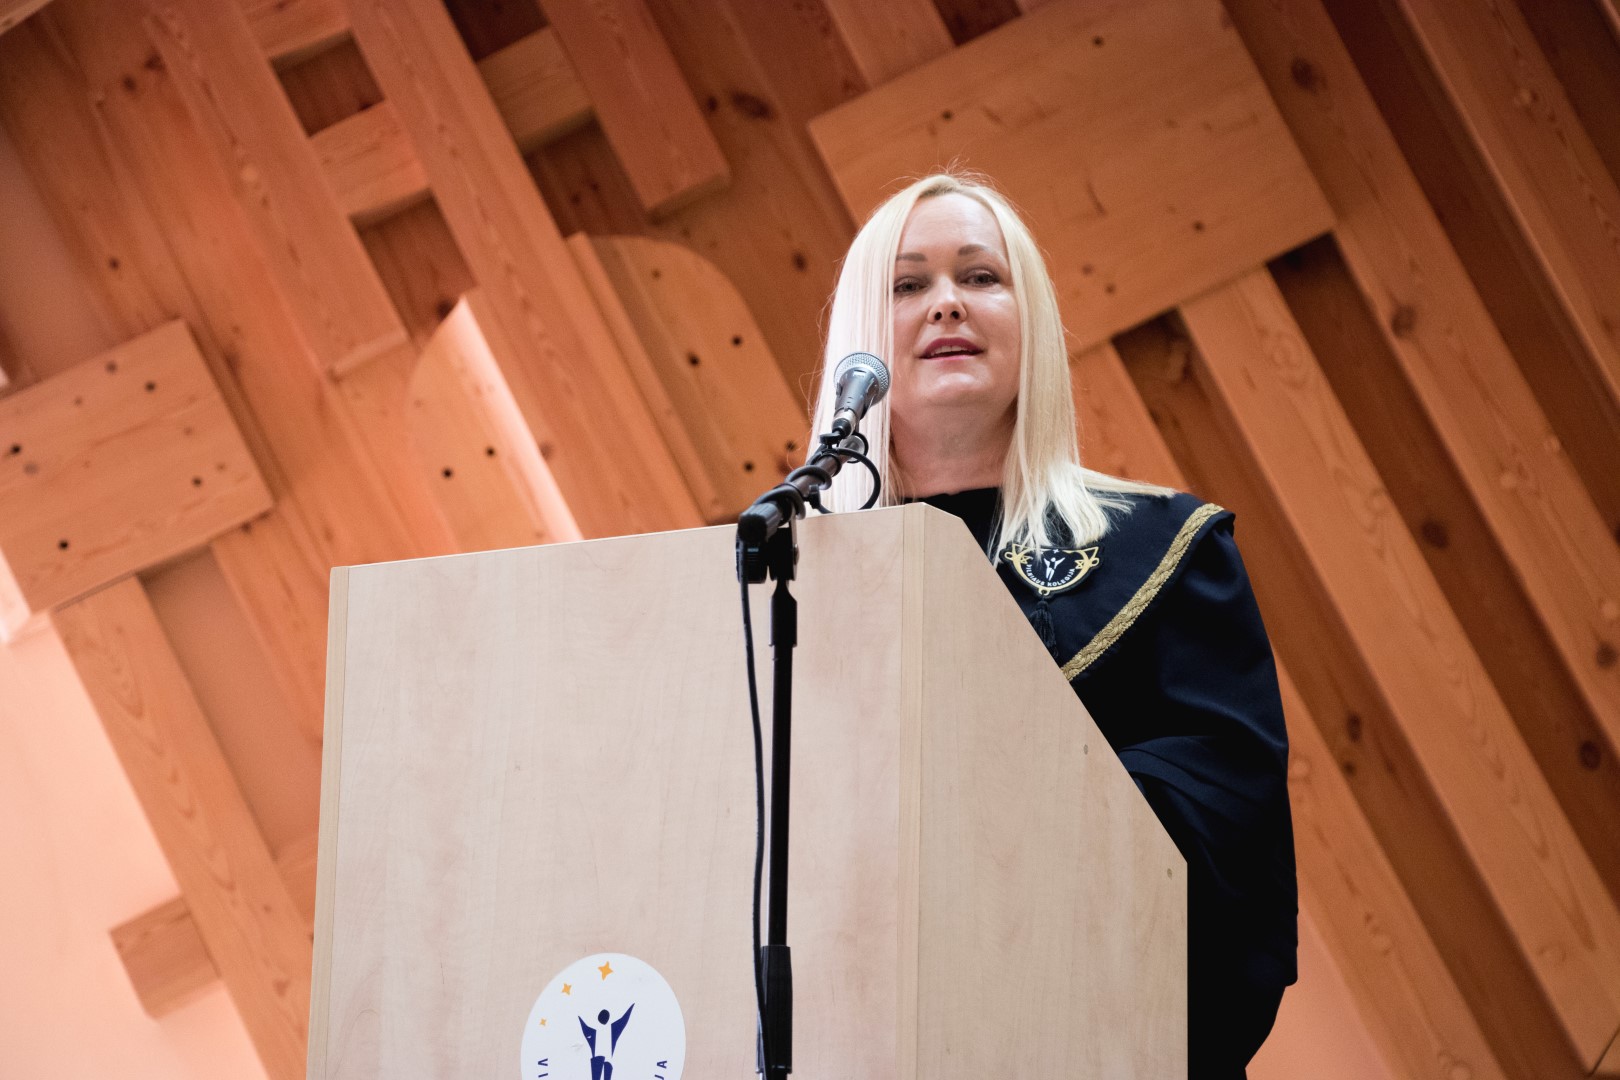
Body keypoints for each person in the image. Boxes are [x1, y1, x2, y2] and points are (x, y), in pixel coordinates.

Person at [808, 173, 1297, 1078]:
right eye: (908, 284)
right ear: (859, 342)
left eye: (980, 277)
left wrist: (994, 816)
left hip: (1084, 1026)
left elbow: (1224, 818)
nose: (946, 302)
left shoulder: (1165, 550)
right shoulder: (796, 582)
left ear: (1028, 321)